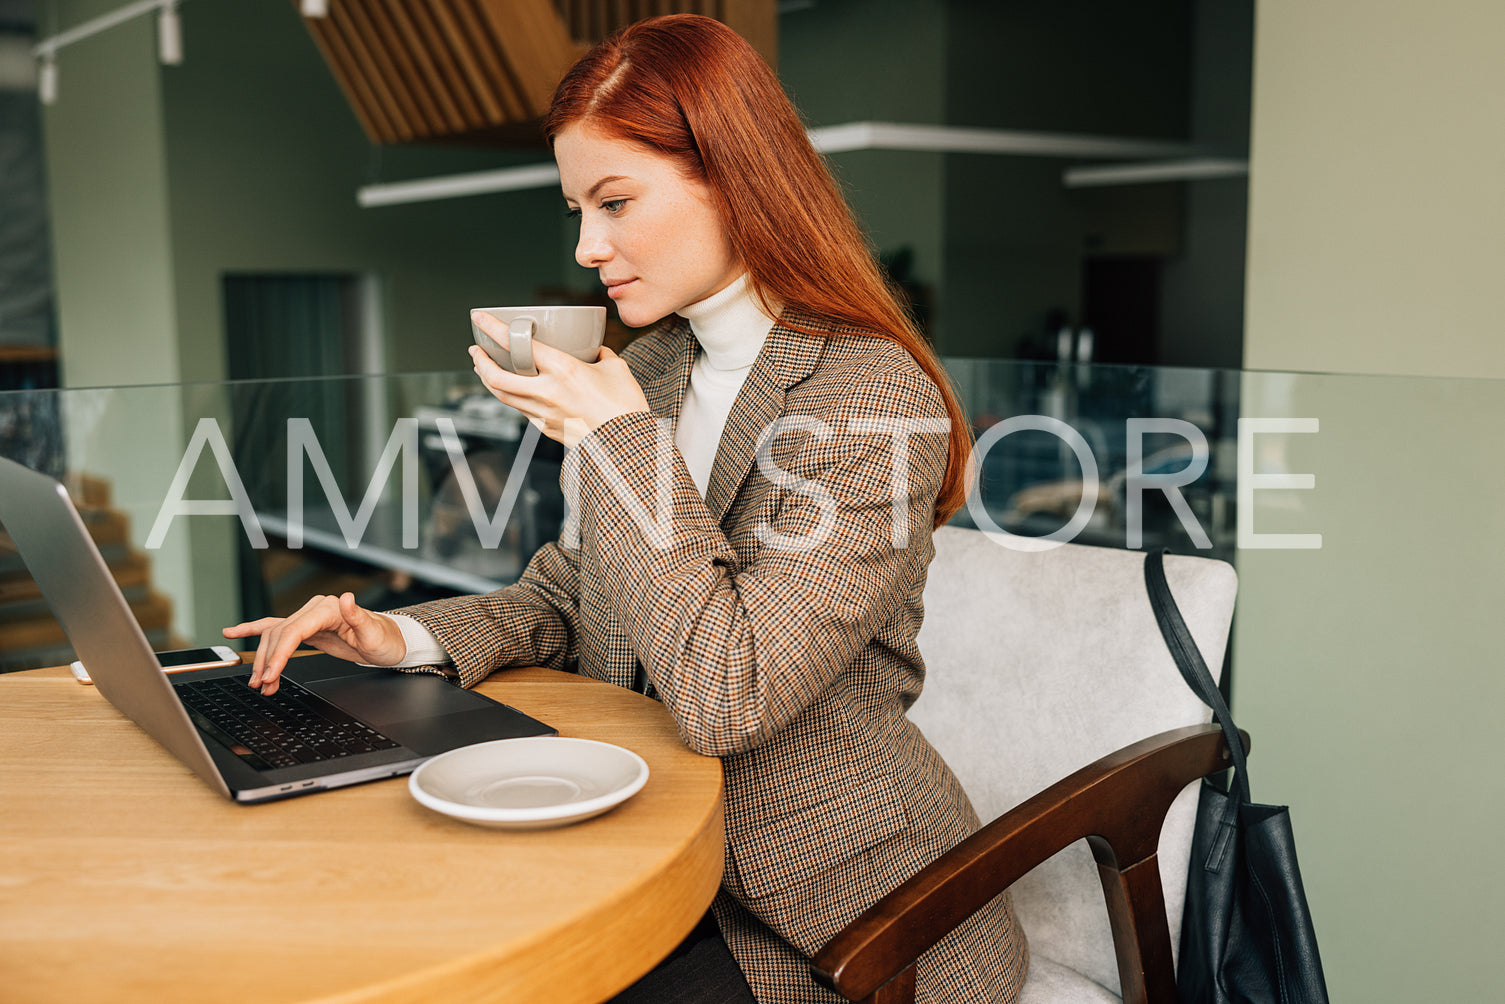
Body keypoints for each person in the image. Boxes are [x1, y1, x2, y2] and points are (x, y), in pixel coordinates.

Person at [224, 14, 1027, 1003]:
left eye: (613, 200)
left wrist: (615, 439)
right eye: (574, 207)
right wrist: (394, 636)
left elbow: (726, 691)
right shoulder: (650, 365)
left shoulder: (867, 397)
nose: (586, 245)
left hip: (834, 909)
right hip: (653, 838)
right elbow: (568, 593)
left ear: (731, 174)